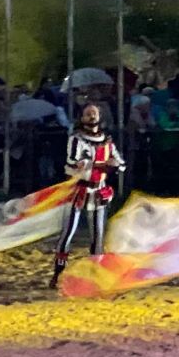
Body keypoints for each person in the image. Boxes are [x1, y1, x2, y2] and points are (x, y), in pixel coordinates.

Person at [49, 104, 124, 289]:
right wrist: (91, 164)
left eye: (94, 113)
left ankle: (95, 276)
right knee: (67, 235)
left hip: (99, 191)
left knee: (98, 236)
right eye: (88, 114)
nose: (92, 116)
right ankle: (57, 275)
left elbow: (121, 164)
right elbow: (72, 161)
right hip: (78, 190)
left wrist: (114, 165)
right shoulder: (76, 139)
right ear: (81, 118)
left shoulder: (107, 141)